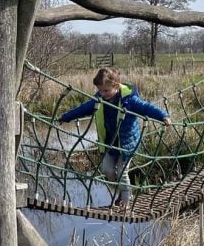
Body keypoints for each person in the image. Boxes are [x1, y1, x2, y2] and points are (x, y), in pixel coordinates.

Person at [58, 67, 170, 208]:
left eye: (106, 90)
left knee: (122, 172)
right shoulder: (99, 100)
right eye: (100, 90)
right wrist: (66, 117)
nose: (102, 94)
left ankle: (126, 201)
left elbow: (146, 107)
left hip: (127, 142)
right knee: (107, 170)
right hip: (110, 142)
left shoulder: (129, 100)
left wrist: (163, 116)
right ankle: (121, 192)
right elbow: (82, 109)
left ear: (116, 86)